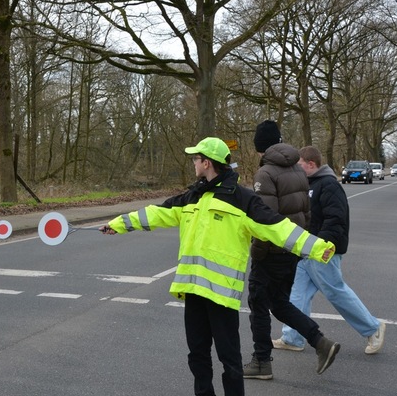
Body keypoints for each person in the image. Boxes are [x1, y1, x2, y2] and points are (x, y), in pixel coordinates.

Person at [100, 137, 336, 396]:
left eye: (195, 159)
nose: (193, 163)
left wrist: (317, 248)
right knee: (197, 356)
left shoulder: (242, 200)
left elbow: (278, 228)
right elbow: (156, 214)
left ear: (207, 163)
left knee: (230, 360)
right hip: (193, 291)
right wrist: (118, 223)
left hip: (221, 296)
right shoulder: (192, 196)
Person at [243, 121, 340, 381]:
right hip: (292, 250)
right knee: (280, 304)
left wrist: (258, 252)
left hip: (271, 253)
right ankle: (320, 342)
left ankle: (261, 361)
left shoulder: (265, 175)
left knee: (259, 304)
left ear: (260, 147)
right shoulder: (298, 170)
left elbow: (265, 220)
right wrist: (299, 246)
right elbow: (306, 215)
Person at [275, 146, 386, 356]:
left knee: (335, 291)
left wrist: (320, 245)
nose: (296, 170)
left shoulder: (329, 185)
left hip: (322, 251)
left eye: (299, 165)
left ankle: (373, 328)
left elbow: (335, 220)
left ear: (310, 164)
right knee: (297, 294)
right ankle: (292, 337)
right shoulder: (307, 184)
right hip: (304, 250)